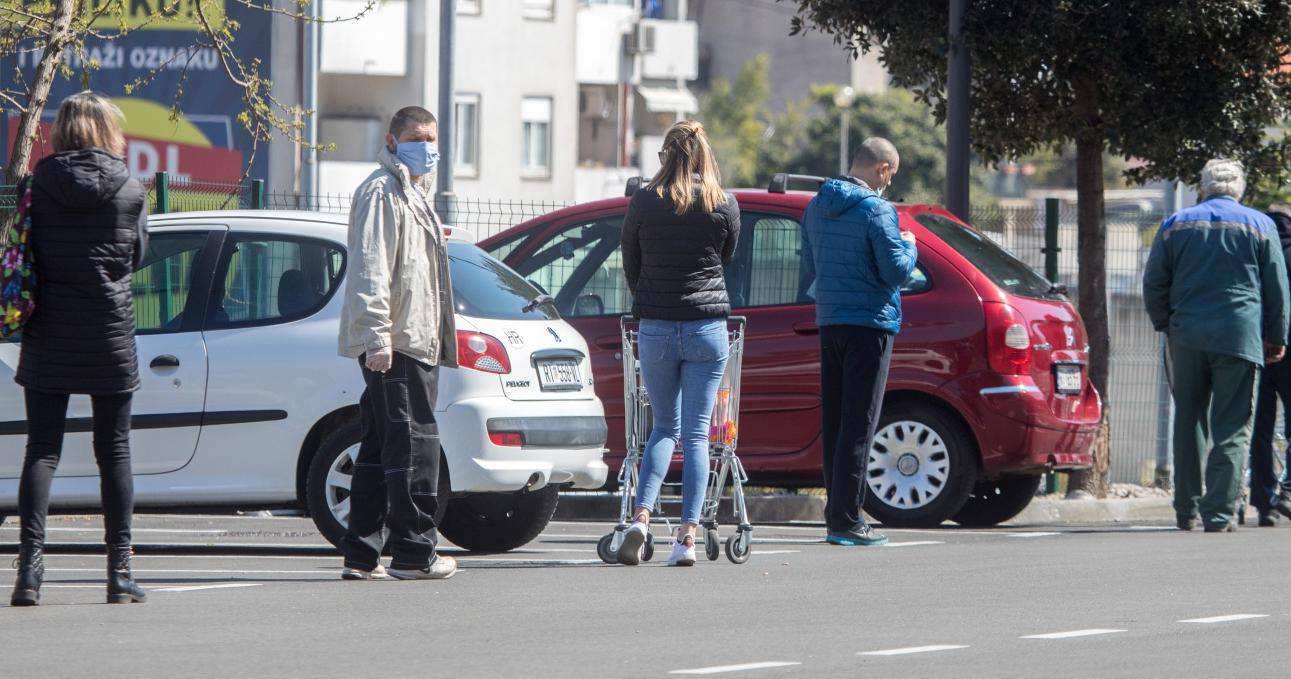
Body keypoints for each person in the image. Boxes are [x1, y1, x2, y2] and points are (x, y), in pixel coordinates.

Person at [10, 91, 149, 606]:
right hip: (109, 333)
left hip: (49, 329)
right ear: (108, 131)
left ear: (62, 130)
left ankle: (29, 571)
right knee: (113, 451)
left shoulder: (36, 185)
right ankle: (119, 571)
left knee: (42, 449)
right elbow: (137, 253)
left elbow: (23, 249)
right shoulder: (130, 187)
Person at [336, 105, 459, 580]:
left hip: (414, 339)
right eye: (415, 137)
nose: (426, 147)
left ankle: (362, 554)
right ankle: (414, 551)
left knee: (379, 444)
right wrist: (376, 335)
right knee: (413, 443)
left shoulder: (413, 194)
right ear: (391, 141)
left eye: (432, 137)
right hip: (397, 342)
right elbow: (370, 267)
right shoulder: (382, 192)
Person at [617, 120, 740, 567]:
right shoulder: (723, 202)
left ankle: (642, 518)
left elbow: (631, 260)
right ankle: (687, 538)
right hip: (707, 329)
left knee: (662, 430)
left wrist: (648, 296)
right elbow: (725, 257)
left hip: (657, 327)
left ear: (665, 156)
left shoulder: (644, 202)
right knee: (696, 434)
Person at [1144, 159, 1290, 533]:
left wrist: (1167, 324)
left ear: (1203, 187)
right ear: (1239, 188)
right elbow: (1277, 288)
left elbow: (1154, 283)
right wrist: (1277, 337)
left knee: (1188, 420)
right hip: (1240, 337)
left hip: (1187, 336)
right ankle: (1219, 513)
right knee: (1231, 426)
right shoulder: (1261, 225)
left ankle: (1186, 509)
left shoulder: (1175, 224)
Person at [801, 137, 916, 547]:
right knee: (860, 423)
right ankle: (848, 520)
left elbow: (810, 265)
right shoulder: (878, 210)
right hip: (870, 323)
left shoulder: (816, 206)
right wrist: (910, 245)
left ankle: (837, 513)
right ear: (883, 170)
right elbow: (896, 271)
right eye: (892, 174)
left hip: (830, 321)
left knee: (835, 421)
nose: (890, 182)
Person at [1248, 202, 1291, 526]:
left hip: (1256, 349)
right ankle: (1288, 491)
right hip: (1286, 350)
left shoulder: (1256, 254)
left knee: (1258, 429)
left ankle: (1264, 502)